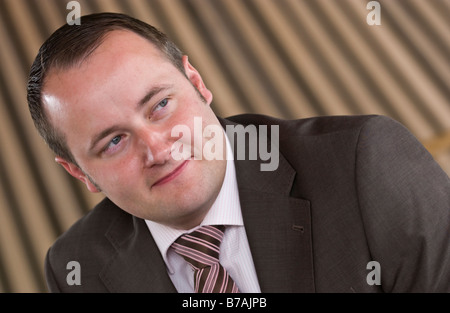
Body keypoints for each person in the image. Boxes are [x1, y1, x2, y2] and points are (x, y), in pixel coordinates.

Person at [27, 12, 450, 293]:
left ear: (196, 81)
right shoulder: (76, 266)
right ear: (80, 174)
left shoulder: (365, 163)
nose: (157, 148)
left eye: (160, 105)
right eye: (113, 142)